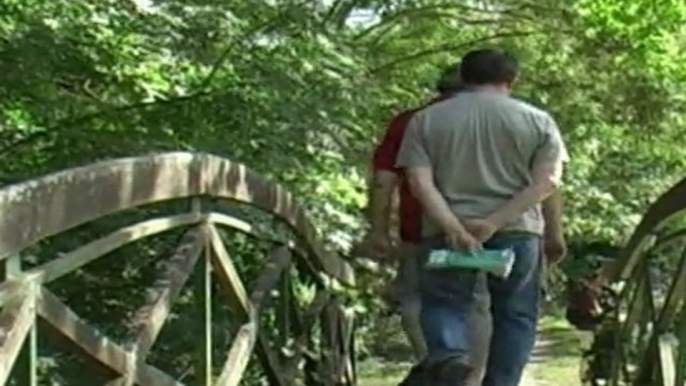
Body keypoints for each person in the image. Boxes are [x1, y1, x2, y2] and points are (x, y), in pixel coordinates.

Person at [396, 48, 569, 386]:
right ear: (512, 79)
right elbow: (547, 181)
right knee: (515, 315)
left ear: (463, 76)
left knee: (444, 303)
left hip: (447, 233)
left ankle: (451, 362)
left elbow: (418, 181)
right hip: (517, 232)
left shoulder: (426, 120)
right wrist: (494, 222)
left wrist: (453, 226)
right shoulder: (537, 120)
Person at [355, 64, 493, 386]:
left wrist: (378, 230)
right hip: (483, 231)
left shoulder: (410, 121)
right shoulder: (499, 120)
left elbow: (384, 180)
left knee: (416, 297)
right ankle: (472, 375)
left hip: (419, 233)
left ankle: (439, 364)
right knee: (477, 302)